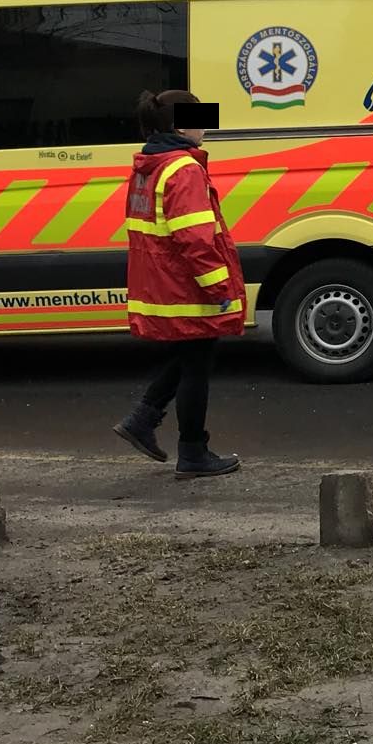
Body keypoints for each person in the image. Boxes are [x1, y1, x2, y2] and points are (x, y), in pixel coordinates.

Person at [112, 89, 244, 479]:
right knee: (198, 365)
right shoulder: (183, 169)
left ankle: (143, 419)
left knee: (190, 356)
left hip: (165, 284)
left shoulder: (150, 164)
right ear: (179, 126)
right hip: (188, 286)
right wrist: (220, 288)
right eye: (199, 117)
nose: (205, 125)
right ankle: (193, 452)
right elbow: (195, 240)